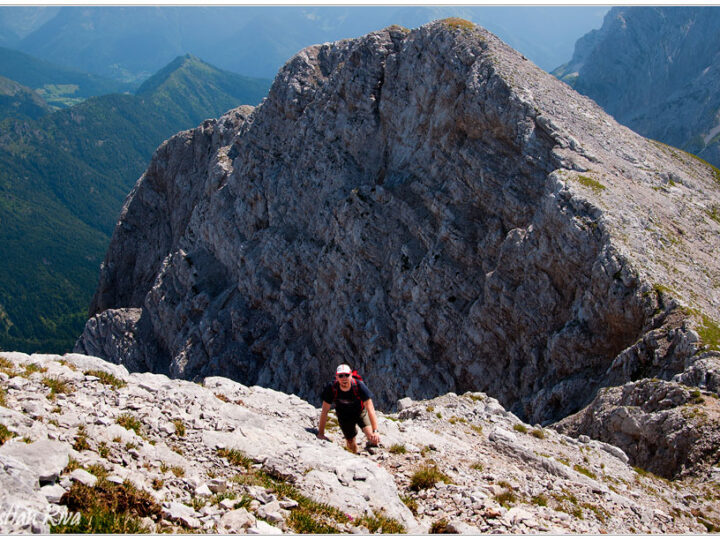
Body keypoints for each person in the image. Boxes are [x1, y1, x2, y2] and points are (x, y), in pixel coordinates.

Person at [317, 364, 381, 453]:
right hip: (344, 417)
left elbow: (370, 408)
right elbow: (324, 411)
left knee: (372, 437)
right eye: (341, 375)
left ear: (351, 375)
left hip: (360, 413)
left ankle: (370, 448)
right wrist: (321, 433)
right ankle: (354, 457)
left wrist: (375, 431)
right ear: (336, 377)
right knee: (350, 442)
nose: (344, 378)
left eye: (347, 375)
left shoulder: (359, 386)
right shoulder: (331, 388)